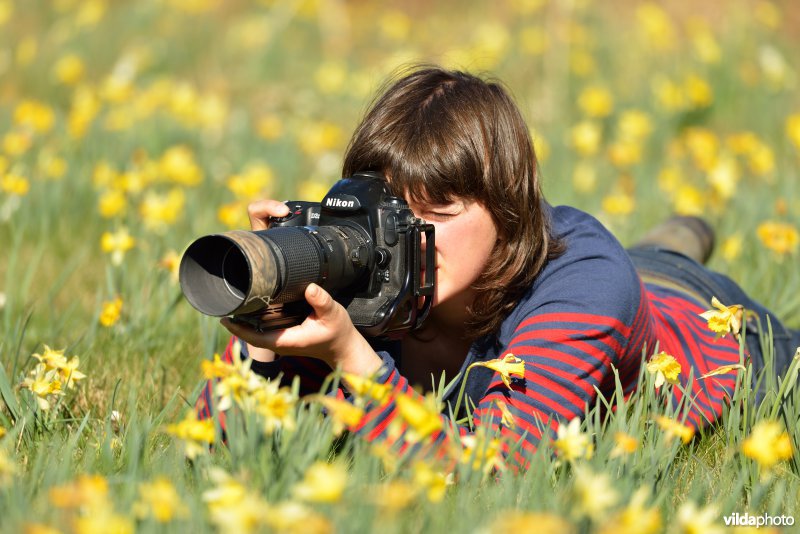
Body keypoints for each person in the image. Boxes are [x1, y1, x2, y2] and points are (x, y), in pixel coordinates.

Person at [196, 65, 800, 466]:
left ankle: (677, 240)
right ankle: (672, 238)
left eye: (437, 211)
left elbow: (487, 475)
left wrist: (354, 360)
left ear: (509, 207)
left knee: (648, 269)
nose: (406, 235)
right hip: (612, 276)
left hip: (706, 329)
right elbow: (214, 453)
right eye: (390, 210)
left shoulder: (585, 287)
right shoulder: (364, 271)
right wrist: (267, 319)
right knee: (653, 255)